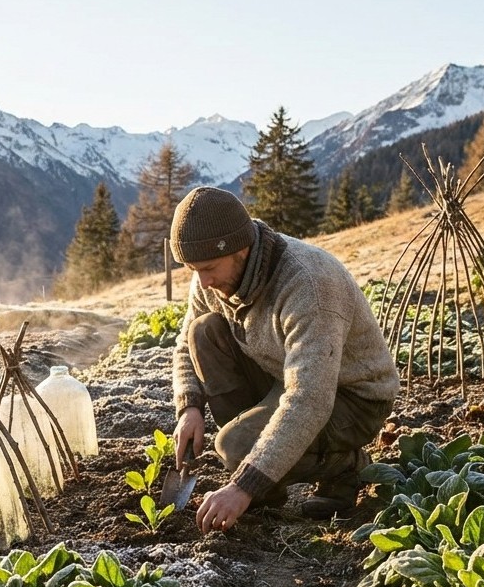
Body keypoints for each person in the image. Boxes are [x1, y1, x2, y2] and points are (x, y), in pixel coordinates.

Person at [167, 186, 399, 531]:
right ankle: (269, 483)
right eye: (192, 269)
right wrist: (189, 406)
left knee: (235, 446)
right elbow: (186, 344)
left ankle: (345, 466)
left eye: (209, 268)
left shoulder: (308, 285)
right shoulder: (210, 277)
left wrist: (243, 485)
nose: (202, 281)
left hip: (350, 396)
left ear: (241, 249)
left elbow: (310, 398)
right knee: (203, 331)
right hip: (281, 372)